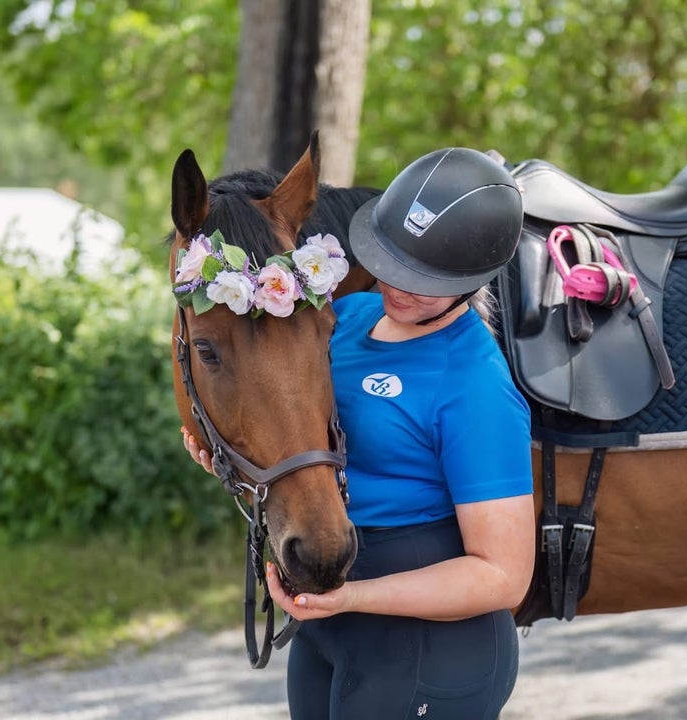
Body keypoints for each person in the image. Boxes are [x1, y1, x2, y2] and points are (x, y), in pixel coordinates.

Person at [184, 147, 535, 719]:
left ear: (472, 282)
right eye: (392, 259)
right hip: (329, 631)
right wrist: (231, 459)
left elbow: (503, 577)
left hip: (428, 653)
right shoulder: (342, 321)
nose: (398, 284)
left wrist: (359, 596)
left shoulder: (475, 385)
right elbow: (289, 426)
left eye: (426, 279)